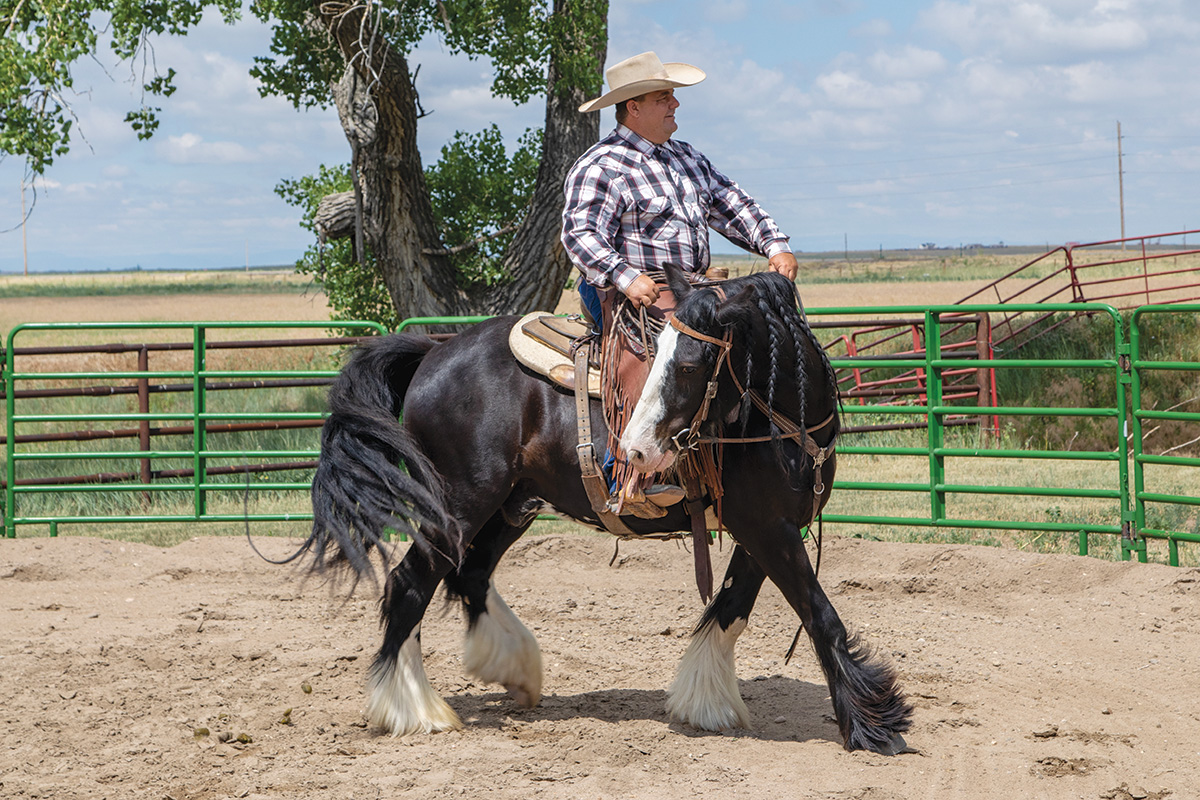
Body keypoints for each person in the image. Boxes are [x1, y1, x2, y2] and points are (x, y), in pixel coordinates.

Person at [561, 50, 799, 323]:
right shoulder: (601, 166)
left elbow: (733, 204)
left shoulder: (688, 157)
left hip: (691, 291)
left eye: (672, 96)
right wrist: (627, 278)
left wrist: (775, 245)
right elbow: (581, 234)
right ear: (633, 108)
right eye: (663, 99)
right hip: (628, 293)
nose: (675, 104)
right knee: (680, 357)